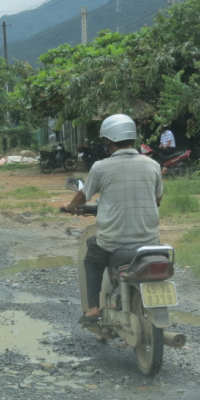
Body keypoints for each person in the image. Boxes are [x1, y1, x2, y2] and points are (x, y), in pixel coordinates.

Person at [61, 114, 163, 323]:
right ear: (132, 137)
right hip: (149, 242)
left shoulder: (101, 167)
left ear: (108, 140)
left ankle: (92, 309)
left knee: (92, 258)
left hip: (114, 243)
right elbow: (158, 198)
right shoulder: (153, 165)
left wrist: (71, 206)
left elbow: (84, 195)